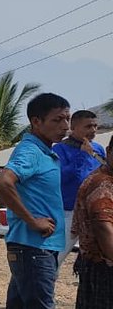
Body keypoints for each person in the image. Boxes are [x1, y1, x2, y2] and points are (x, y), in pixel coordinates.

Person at [0, 93, 97, 309]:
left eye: (67, 119)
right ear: (35, 122)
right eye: (57, 120)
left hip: (32, 248)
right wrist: (31, 219)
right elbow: (3, 182)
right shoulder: (30, 151)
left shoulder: (44, 151)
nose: (65, 126)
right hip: (34, 248)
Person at [70, 144, 113, 309]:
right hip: (104, 265)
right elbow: (104, 229)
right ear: (109, 150)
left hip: (100, 264)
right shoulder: (102, 185)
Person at [52, 109, 106, 266]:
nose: (93, 130)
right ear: (73, 128)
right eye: (88, 126)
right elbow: (64, 177)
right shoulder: (59, 150)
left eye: (95, 126)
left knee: (97, 256)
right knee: (56, 257)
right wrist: (82, 156)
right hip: (69, 212)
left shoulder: (98, 149)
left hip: (94, 212)